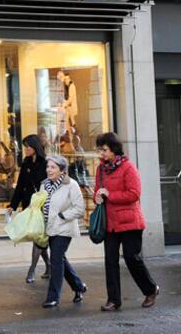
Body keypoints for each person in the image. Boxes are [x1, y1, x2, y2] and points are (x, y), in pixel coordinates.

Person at [94, 132, 159, 311]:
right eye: (100, 150)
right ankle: (113, 300)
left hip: (130, 222)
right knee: (110, 261)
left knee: (132, 258)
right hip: (110, 223)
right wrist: (97, 197)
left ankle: (150, 290)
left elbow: (134, 194)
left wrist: (110, 195)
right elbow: (98, 190)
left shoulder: (128, 167)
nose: (102, 153)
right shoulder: (100, 169)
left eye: (104, 150)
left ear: (114, 149)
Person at [40, 154, 87, 308]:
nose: (49, 170)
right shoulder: (44, 185)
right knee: (59, 259)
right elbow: (41, 205)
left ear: (62, 170)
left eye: (53, 167)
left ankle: (53, 297)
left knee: (55, 260)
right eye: (48, 166)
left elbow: (79, 209)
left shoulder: (71, 185)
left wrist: (62, 216)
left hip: (64, 228)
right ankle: (79, 286)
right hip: (50, 228)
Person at [9, 134, 50, 283]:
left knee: (38, 237)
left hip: (42, 205)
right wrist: (13, 205)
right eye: (25, 146)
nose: (25, 149)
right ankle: (49, 266)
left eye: (28, 146)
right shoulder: (26, 163)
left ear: (35, 147)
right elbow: (20, 186)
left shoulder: (46, 163)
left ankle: (32, 269)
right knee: (37, 237)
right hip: (29, 205)